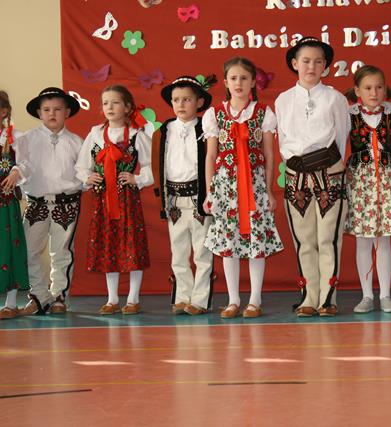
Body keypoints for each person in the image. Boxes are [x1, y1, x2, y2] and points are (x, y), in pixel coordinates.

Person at [203, 57, 283, 318]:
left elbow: (269, 154)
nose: (239, 83)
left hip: (255, 184)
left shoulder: (263, 113)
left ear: (253, 82)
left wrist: (269, 190)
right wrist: (210, 192)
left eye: (244, 78)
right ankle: (233, 299)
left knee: (256, 240)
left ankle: (255, 299)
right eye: (234, 78)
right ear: (226, 82)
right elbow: (211, 155)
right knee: (230, 241)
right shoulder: (215, 114)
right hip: (226, 186)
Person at [275, 37, 349, 317]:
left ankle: (328, 297)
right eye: (305, 61)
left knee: (328, 237)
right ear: (295, 64)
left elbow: (341, 137)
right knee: (304, 239)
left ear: (325, 66)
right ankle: (309, 295)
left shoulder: (335, 98)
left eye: (318, 61)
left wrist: (330, 166)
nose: (311, 66)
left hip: (329, 170)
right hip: (296, 173)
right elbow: (283, 139)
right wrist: (295, 165)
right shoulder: (283, 100)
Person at [76, 85, 153, 315]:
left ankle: (133, 298)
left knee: (132, 245)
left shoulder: (137, 134)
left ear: (127, 107)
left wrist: (137, 178)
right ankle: (112, 298)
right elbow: (81, 165)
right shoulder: (95, 134)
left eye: (115, 102)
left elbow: (152, 165)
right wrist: (88, 176)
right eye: (105, 103)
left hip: (127, 199)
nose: (109, 107)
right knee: (108, 245)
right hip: (103, 201)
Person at [14, 87, 83, 315]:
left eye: (57, 109)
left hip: (67, 203)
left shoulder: (77, 142)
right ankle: (39, 295)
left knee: (61, 251)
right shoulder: (26, 139)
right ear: (39, 112)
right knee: (30, 250)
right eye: (46, 109)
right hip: (37, 203)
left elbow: (84, 173)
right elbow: (20, 167)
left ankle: (59, 296)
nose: (52, 113)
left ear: (67, 112)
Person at [344, 65, 391, 313]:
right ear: (357, 90)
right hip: (360, 184)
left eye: (379, 87)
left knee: (384, 240)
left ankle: (386, 295)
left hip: (386, 183)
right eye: (368, 88)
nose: (374, 92)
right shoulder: (349, 115)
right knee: (363, 241)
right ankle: (367, 295)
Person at [154, 75, 215, 315]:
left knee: (202, 251)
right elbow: (159, 164)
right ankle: (182, 296)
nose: (181, 104)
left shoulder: (206, 129)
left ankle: (199, 299)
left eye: (187, 99)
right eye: (176, 99)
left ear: (199, 103)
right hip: (174, 199)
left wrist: (211, 194)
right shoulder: (164, 130)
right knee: (178, 251)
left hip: (199, 198)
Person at [0, 91, 28, 319]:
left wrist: (16, 171)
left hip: (6, 206)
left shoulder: (15, 137)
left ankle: (11, 304)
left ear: (4, 111)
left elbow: (27, 162)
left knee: (9, 249)